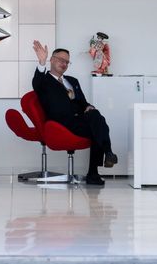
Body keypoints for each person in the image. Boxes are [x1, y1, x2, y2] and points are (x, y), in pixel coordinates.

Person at [32, 40, 118, 186]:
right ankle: (103, 159)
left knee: (96, 118)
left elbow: (83, 103)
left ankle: (97, 169)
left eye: (67, 62)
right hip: (60, 124)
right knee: (97, 126)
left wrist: (88, 107)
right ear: (51, 60)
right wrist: (41, 62)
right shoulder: (44, 81)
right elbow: (36, 83)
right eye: (61, 60)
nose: (64, 64)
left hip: (79, 121)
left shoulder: (73, 81)